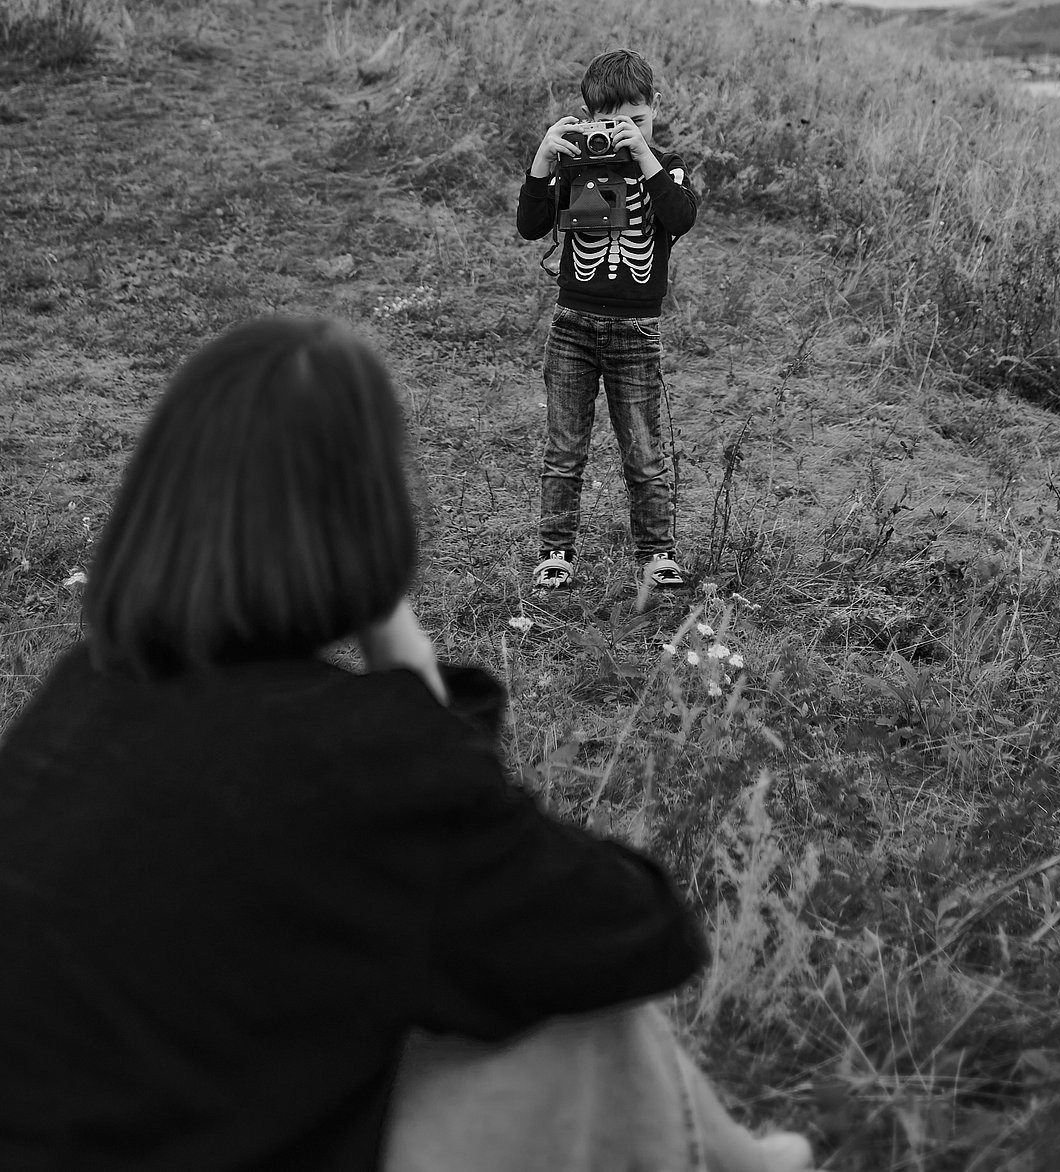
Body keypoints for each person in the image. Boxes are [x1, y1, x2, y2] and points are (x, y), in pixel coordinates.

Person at [0, 316, 814, 1172]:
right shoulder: (358, 753)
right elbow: (635, 930)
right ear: (374, 517)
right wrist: (411, 668)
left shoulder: (82, 691)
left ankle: (740, 1160)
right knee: (575, 1022)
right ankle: (741, 1163)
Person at [517, 48, 698, 594]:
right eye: (609, 123)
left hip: (637, 332)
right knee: (564, 448)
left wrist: (644, 155)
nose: (622, 132)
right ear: (587, 115)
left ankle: (657, 554)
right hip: (573, 325)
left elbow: (679, 217)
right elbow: (530, 226)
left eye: (637, 121)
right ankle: (555, 553)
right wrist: (544, 162)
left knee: (644, 451)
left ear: (655, 109)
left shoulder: (666, 168)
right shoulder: (578, 164)